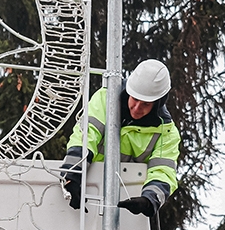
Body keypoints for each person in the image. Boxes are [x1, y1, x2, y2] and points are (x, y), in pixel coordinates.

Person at [61, 59, 179, 217]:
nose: (137, 108)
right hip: (88, 187)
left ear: (157, 104)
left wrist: (149, 200)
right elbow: (86, 135)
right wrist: (72, 176)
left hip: (125, 208)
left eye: (145, 104)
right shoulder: (105, 99)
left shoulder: (166, 133)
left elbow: (163, 172)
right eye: (135, 99)